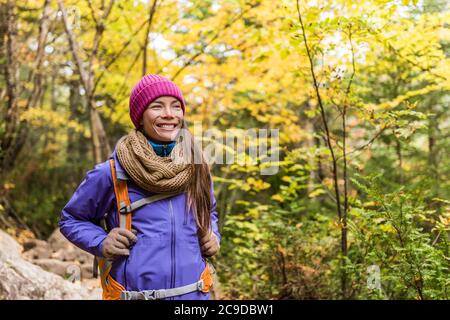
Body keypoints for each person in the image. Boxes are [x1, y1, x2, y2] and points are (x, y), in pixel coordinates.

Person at [59, 74, 220, 300]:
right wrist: (101, 241)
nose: (169, 114)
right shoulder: (112, 172)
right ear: (140, 117)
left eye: (176, 106)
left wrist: (214, 234)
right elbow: (71, 219)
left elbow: (209, 212)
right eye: (157, 106)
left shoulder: (197, 169)